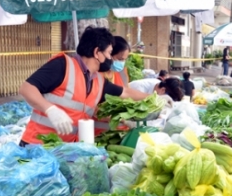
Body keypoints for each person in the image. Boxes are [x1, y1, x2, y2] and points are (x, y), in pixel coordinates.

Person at [19, 27, 148, 144]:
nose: (110, 58)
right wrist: (50, 109)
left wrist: (155, 99)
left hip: (62, 150)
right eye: (108, 53)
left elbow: (125, 92)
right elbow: (27, 88)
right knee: (23, 164)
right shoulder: (63, 65)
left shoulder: (98, 80)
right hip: (34, 147)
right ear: (97, 52)